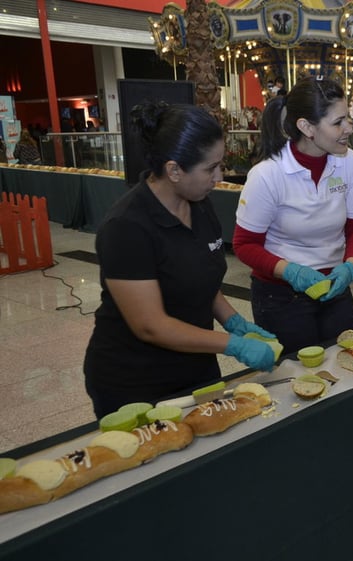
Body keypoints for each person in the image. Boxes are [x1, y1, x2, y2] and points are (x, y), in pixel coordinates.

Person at [83, 102, 278, 418]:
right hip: (136, 379)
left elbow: (199, 277)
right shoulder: (127, 227)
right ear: (174, 170)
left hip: (196, 365)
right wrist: (232, 343)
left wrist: (234, 321)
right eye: (210, 168)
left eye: (221, 164)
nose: (220, 175)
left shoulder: (199, 203)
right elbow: (151, 326)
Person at [233, 77, 353, 353]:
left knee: (344, 363)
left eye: (348, 118)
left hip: (335, 288)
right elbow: (244, 244)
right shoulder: (268, 174)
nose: (349, 128)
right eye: (337, 123)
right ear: (306, 127)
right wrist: (291, 272)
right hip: (281, 295)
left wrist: (350, 266)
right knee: (295, 374)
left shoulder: (349, 162)